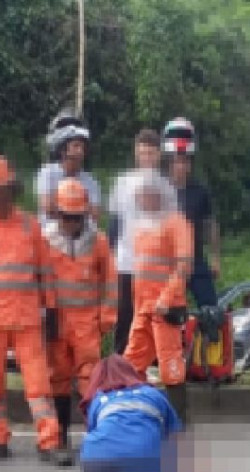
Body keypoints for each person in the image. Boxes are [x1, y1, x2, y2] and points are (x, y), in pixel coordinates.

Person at [0, 152, 67, 465]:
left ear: (11, 189)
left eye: (2, 191)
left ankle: (49, 442)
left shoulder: (29, 226)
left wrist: (51, 310)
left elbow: (45, 272)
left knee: (38, 384)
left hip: (27, 319)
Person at [43, 178, 117, 451]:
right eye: (66, 217)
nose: (71, 223)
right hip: (57, 321)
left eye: (76, 218)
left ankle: (94, 436)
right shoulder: (46, 240)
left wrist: (107, 316)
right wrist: (45, 313)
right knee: (58, 379)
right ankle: (60, 435)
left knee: (90, 380)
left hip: (87, 321)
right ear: (58, 214)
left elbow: (110, 282)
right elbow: (39, 280)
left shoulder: (97, 241)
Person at [120, 169, 193, 421]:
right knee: (131, 361)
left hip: (165, 307)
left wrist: (166, 298)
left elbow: (183, 266)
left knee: (170, 363)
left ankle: (178, 418)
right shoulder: (141, 225)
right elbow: (138, 269)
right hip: (144, 308)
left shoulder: (176, 222)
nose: (141, 199)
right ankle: (130, 412)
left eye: (144, 194)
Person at [109, 128, 162, 355]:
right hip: (126, 262)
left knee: (152, 317)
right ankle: (119, 362)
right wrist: (109, 257)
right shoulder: (123, 182)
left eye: (151, 153)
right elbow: (114, 221)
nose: (147, 158)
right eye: (143, 153)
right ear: (136, 153)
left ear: (158, 155)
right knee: (125, 315)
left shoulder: (165, 186)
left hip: (154, 266)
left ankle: (149, 363)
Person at [161, 117, 221, 309]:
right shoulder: (158, 191)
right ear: (170, 162)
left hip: (195, 260)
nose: (181, 166)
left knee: (212, 309)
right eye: (177, 162)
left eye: (185, 162)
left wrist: (215, 257)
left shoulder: (200, 191)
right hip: (167, 262)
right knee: (166, 310)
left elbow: (210, 225)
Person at [35, 109, 102, 224]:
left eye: (82, 147)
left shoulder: (91, 181)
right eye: (76, 146)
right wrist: (80, 208)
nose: (80, 151)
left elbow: (95, 215)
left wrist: (64, 207)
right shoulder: (47, 173)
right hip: (48, 236)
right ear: (63, 150)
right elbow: (47, 207)